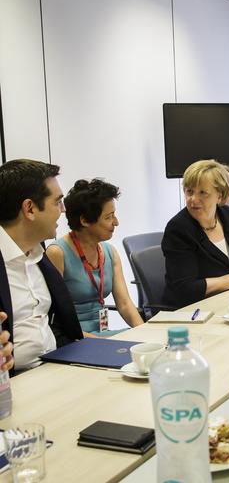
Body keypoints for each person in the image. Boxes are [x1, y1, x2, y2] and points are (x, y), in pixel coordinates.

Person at [0, 159, 82, 372]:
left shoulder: (40, 255)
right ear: (30, 209)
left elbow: (60, 326)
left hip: (58, 366)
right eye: (57, 202)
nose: (63, 210)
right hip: (14, 384)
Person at [162, 159, 229, 308]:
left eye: (202, 193)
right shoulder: (178, 229)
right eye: (189, 191)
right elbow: (185, 289)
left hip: (227, 301)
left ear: (220, 195)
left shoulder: (228, 216)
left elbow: (227, 264)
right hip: (192, 311)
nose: (193, 199)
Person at [46, 179, 144, 336]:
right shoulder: (57, 253)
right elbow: (55, 321)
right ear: (84, 220)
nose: (116, 222)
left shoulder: (110, 252)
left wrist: (144, 332)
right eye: (109, 217)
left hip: (101, 336)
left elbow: (125, 304)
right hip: (74, 338)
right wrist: (101, 342)